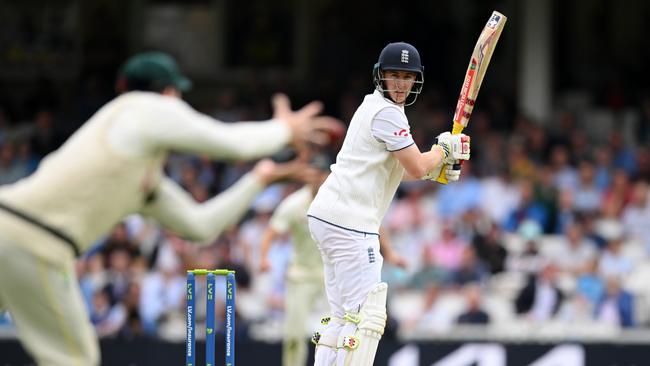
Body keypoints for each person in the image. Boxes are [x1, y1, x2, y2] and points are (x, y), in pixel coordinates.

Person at [0, 51, 339, 366]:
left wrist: (258, 180)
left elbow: (200, 225)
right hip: (33, 240)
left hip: (13, 227)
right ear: (170, 94)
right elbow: (230, 144)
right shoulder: (142, 107)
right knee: (75, 358)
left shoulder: (140, 173)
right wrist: (284, 129)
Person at [306, 42, 471, 366]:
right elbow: (417, 166)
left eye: (406, 77)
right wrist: (443, 149)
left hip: (330, 216)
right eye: (393, 75)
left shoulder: (375, 108)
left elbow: (394, 171)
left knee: (341, 318)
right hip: (350, 223)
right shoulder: (386, 113)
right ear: (380, 76)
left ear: (416, 81)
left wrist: (437, 168)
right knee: (366, 318)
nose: (399, 83)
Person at [259, 160, 407, 366]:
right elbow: (271, 231)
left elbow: (372, 223)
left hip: (334, 275)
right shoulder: (294, 204)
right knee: (294, 336)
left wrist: (390, 253)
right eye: (311, 177)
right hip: (301, 276)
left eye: (320, 177)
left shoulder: (340, 197)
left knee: (340, 327)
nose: (316, 181)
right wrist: (264, 258)